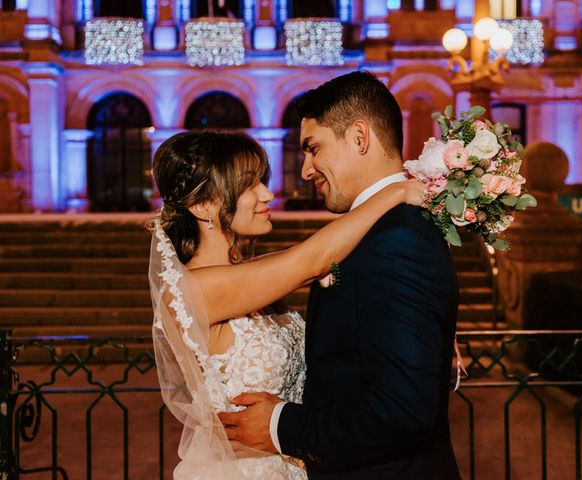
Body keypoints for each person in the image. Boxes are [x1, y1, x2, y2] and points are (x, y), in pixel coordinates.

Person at [219, 71, 461, 479]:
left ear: (359, 137)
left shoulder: (395, 240)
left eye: (313, 149)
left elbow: (401, 411)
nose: (307, 170)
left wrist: (280, 425)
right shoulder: (381, 229)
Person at [149, 129, 425, 479]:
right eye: (249, 185)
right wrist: (396, 191)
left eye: (262, 181)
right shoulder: (195, 290)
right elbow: (313, 260)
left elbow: (334, 265)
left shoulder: (250, 277)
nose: (267, 193)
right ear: (203, 205)